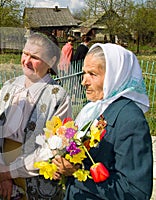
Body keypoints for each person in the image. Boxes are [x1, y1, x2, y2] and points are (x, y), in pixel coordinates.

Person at [52, 43, 153, 200]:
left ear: (115, 75)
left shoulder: (130, 120)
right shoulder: (93, 109)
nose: (83, 81)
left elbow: (135, 192)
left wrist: (78, 174)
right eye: (84, 73)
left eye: (92, 74)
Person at [0, 33, 72, 200]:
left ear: (51, 62)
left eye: (35, 57)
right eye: (25, 53)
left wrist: (9, 172)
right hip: (2, 171)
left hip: (36, 175)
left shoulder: (59, 97)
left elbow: (54, 147)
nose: (26, 61)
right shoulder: (8, 87)